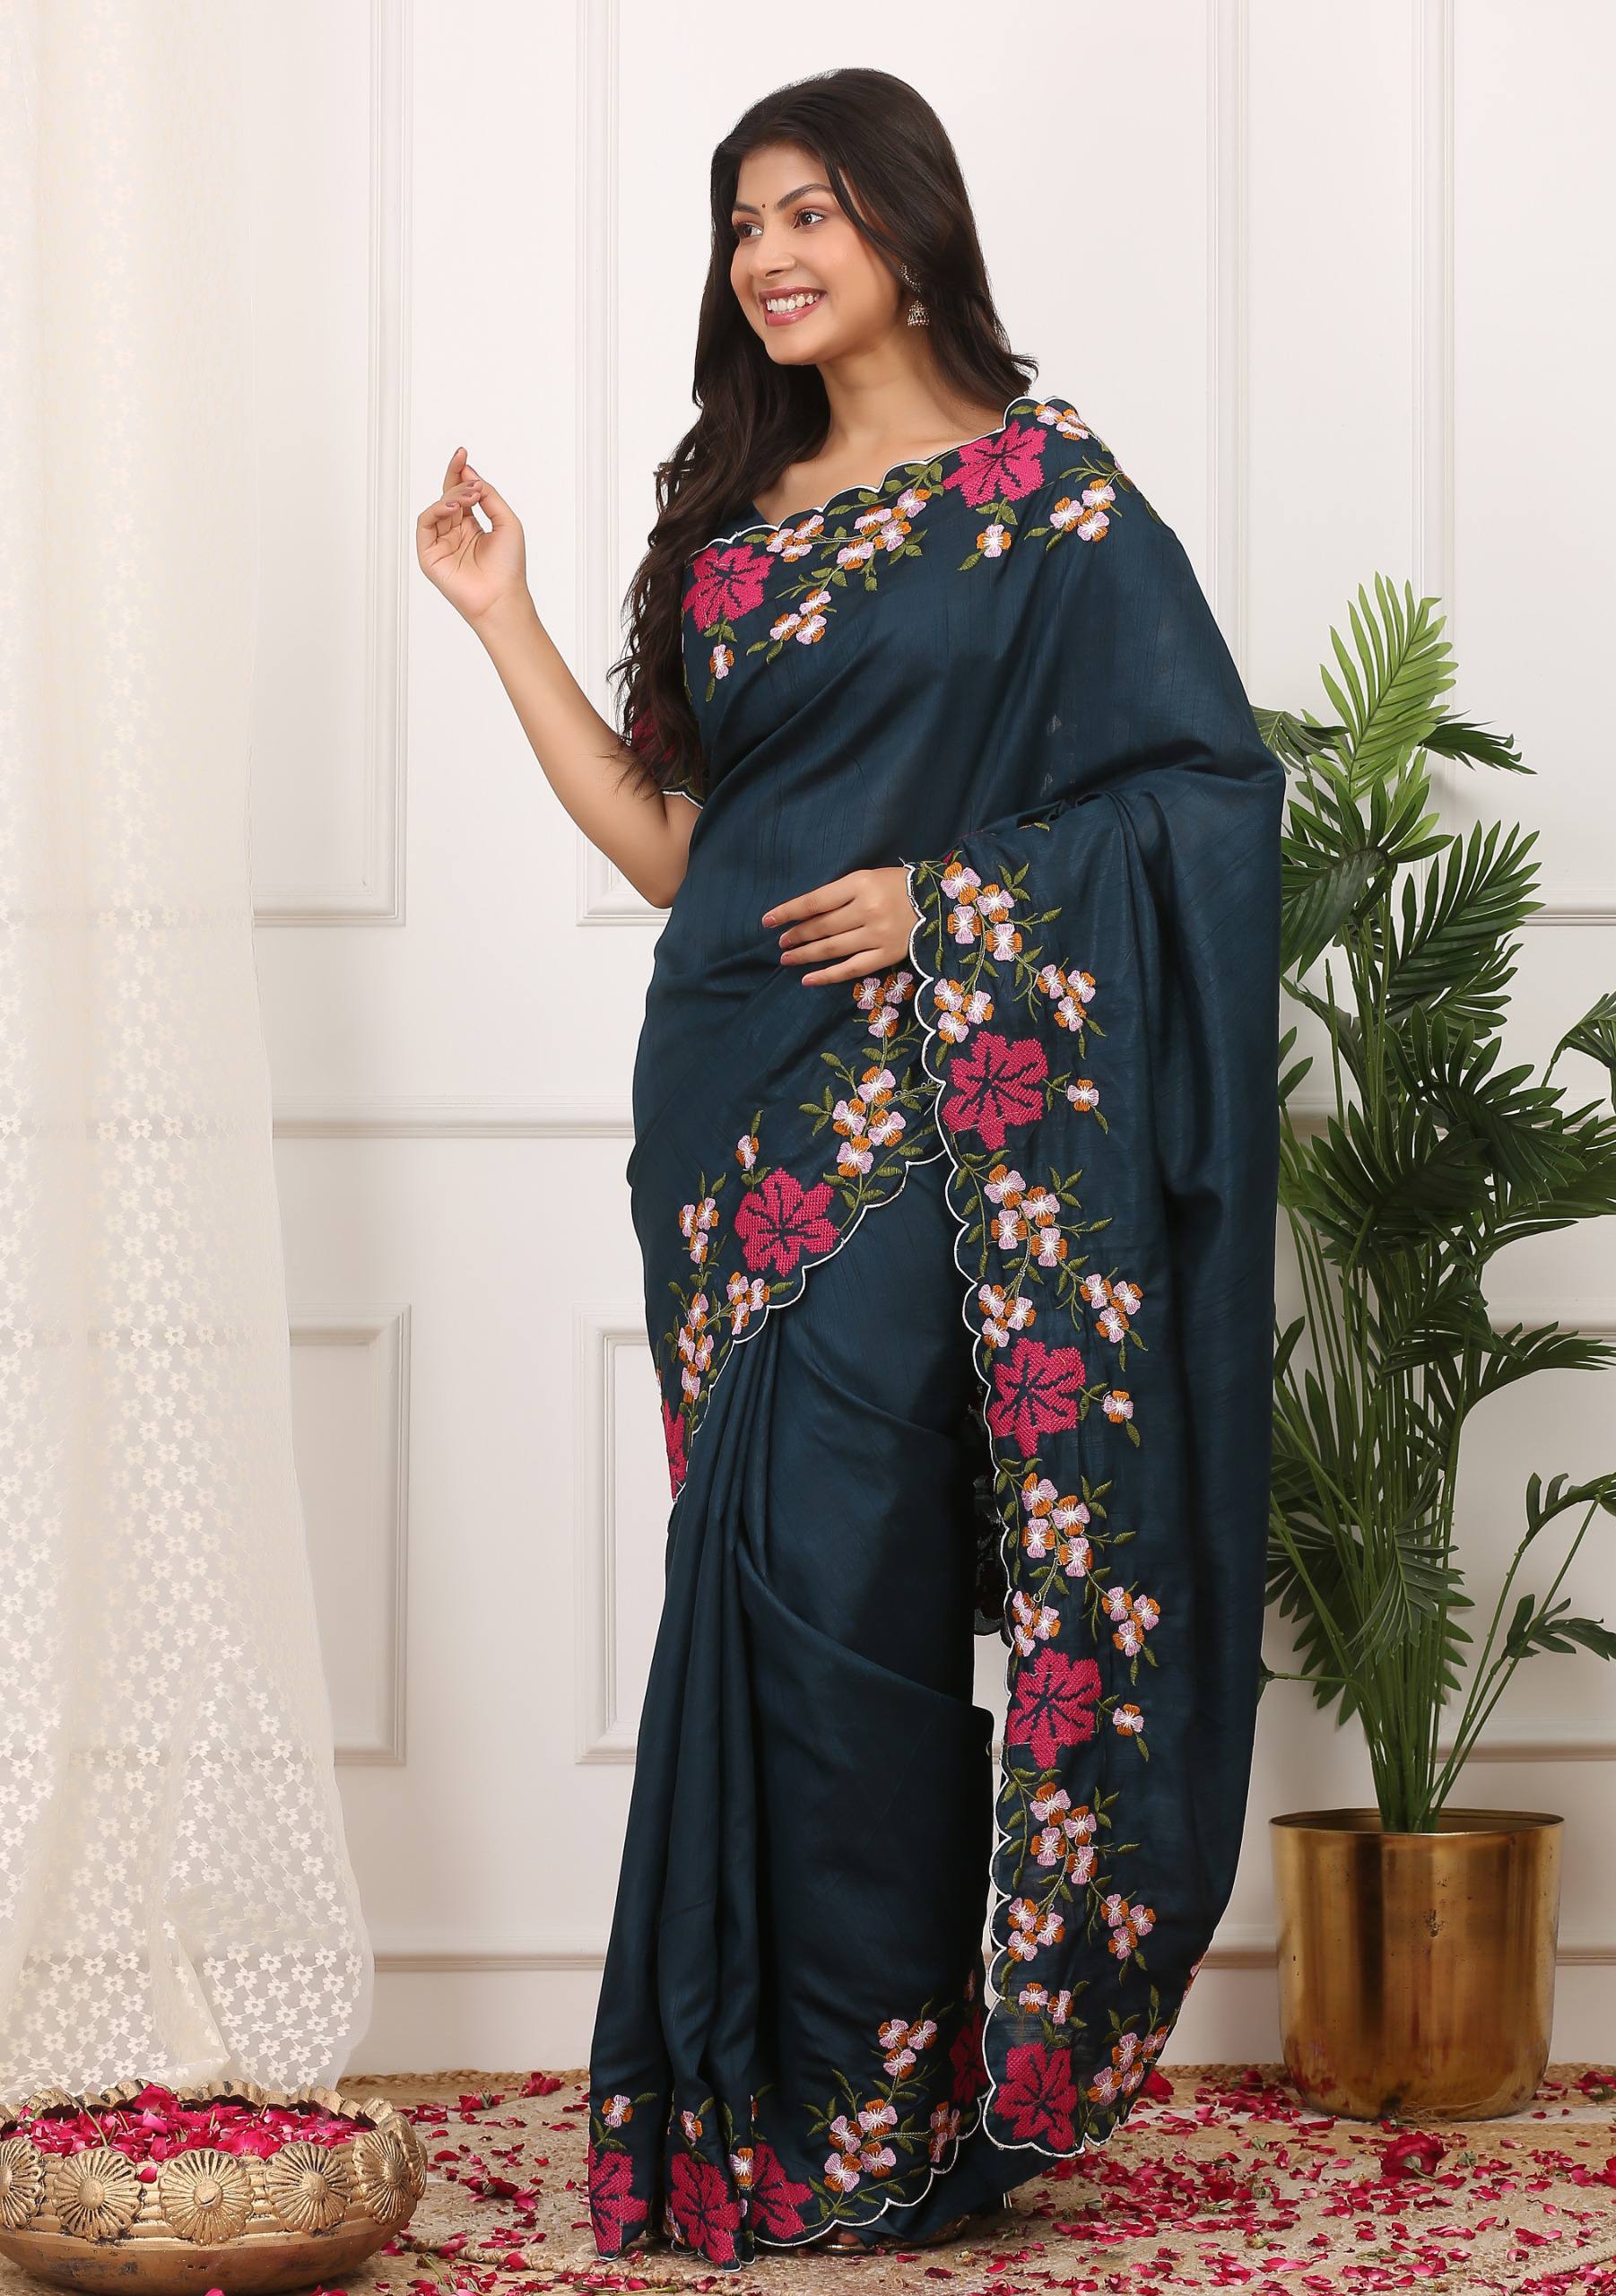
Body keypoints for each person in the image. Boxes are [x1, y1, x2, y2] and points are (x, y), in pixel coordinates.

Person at [415, 65, 1285, 2274]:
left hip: (926, 1104)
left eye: (809, 209)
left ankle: (881, 2097)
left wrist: (956, 903)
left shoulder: (1049, 502)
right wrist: (503, 615)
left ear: (908, 222)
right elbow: (680, 849)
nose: (771, 255)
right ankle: (762, 2092)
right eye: (743, 223)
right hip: (721, 1105)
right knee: (766, 1575)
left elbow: (1211, 798)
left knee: (846, 1564)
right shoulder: (734, 523)